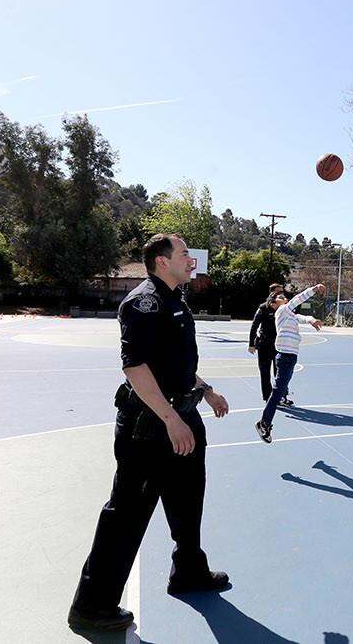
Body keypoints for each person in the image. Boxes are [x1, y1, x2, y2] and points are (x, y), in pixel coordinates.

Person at [68, 234, 232, 632]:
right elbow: (136, 367)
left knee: (188, 499)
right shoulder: (144, 302)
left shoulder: (176, 299)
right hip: (150, 426)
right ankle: (92, 604)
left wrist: (205, 391)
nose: (192, 261)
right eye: (184, 255)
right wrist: (170, 419)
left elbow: (172, 364)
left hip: (182, 413)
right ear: (161, 261)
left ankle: (189, 572)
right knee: (126, 514)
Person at [255, 284, 325, 443]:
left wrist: (311, 319)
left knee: (279, 389)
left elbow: (299, 317)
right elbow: (297, 299)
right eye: (279, 297)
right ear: (273, 304)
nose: (282, 296)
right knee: (278, 390)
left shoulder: (289, 313)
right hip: (285, 356)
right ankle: (264, 423)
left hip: (291, 356)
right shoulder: (282, 310)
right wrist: (314, 289)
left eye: (282, 295)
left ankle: (266, 419)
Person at [248, 283, 291, 406]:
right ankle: (268, 398)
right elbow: (254, 326)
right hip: (265, 345)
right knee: (265, 372)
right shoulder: (263, 308)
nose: (281, 295)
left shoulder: (285, 309)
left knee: (281, 373)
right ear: (271, 293)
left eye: (282, 292)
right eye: (278, 293)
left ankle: (283, 396)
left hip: (280, 345)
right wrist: (251, 343)